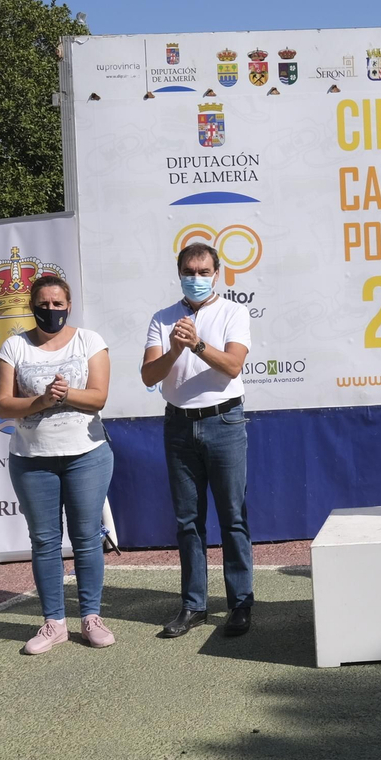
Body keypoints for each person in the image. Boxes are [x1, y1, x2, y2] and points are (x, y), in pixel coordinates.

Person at [0, 275, 115, 654]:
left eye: (57, 304)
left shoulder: (89, 341)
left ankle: (91, 617)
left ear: (69, 305)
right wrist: (43, 400)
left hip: (87, 455)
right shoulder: (14, 346)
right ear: (32, 306)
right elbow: (2, 405)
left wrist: (67, 394)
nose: (50, 311)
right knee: (44, 541)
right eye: (43, 304)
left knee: (85, 538)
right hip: (31, 460)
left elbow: (98, 399)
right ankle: (54, 623)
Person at [141, 243, 254, 638]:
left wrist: (199, 345)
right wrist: (174, 347)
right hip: (178, 426)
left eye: (204, 271)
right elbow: (149, 377)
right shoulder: (162, 319)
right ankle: (194, 605)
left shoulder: (234, 313)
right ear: (179, 273)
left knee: (233, 517)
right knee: (188, 522)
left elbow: (233, 365)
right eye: (190, 270)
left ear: (217, 273)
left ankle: (240, 603)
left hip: (224, 421)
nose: (197, 277)